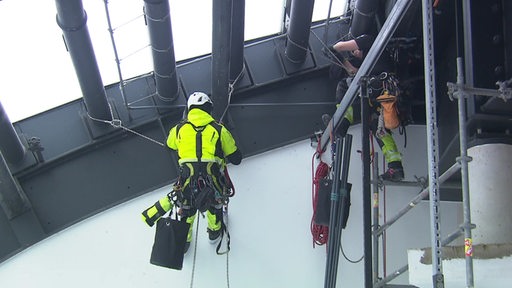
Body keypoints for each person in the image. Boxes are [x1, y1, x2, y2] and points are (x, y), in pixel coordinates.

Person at [167, 91, 243, 252]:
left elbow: (170, 145)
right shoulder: (219, 129)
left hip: (187, 180)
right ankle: (214, 232)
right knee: (215, 205)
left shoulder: (178, 129)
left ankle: (184, 241)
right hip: (213, 180)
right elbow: (236, 158)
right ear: (208, 108)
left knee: (186, 208)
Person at [322, 34, 405, 181]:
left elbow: (340, 47)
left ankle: (341, 125)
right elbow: (353, 71)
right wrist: (342, 61)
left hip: (383, 86)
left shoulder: (369, 41)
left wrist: (332, 49)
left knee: (344, 85)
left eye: (354, 50)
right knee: (377, 126)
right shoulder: (369, 63)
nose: (355, 53)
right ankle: (395, 167)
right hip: (381, 95)